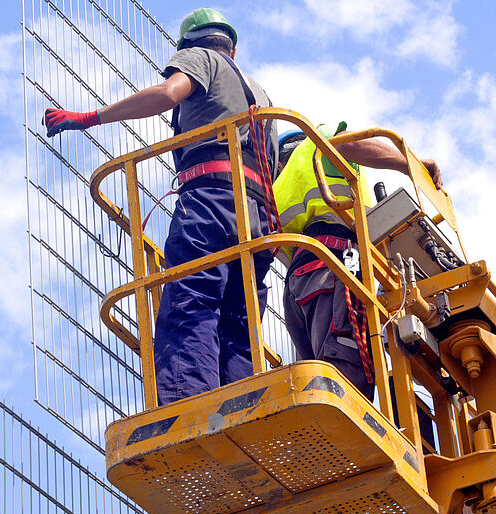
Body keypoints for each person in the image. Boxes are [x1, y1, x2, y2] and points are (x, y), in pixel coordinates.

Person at [44, 9, 277, 407]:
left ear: (188, 45)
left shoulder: (202, 58)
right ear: (232, 48)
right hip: (257, 218)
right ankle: (246, 406)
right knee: (239, 320)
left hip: (211, 201)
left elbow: (169, 93)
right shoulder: (262, 95)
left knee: (191, 298)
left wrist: (91, 117)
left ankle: (186, 408)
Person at [274, 122, 441, 398]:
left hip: (299, 282)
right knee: (345, 376)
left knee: (315, 380)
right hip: (334, 264)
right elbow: (350, 144)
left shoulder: (276, 190)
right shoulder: (314, 146)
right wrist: (408, 163)